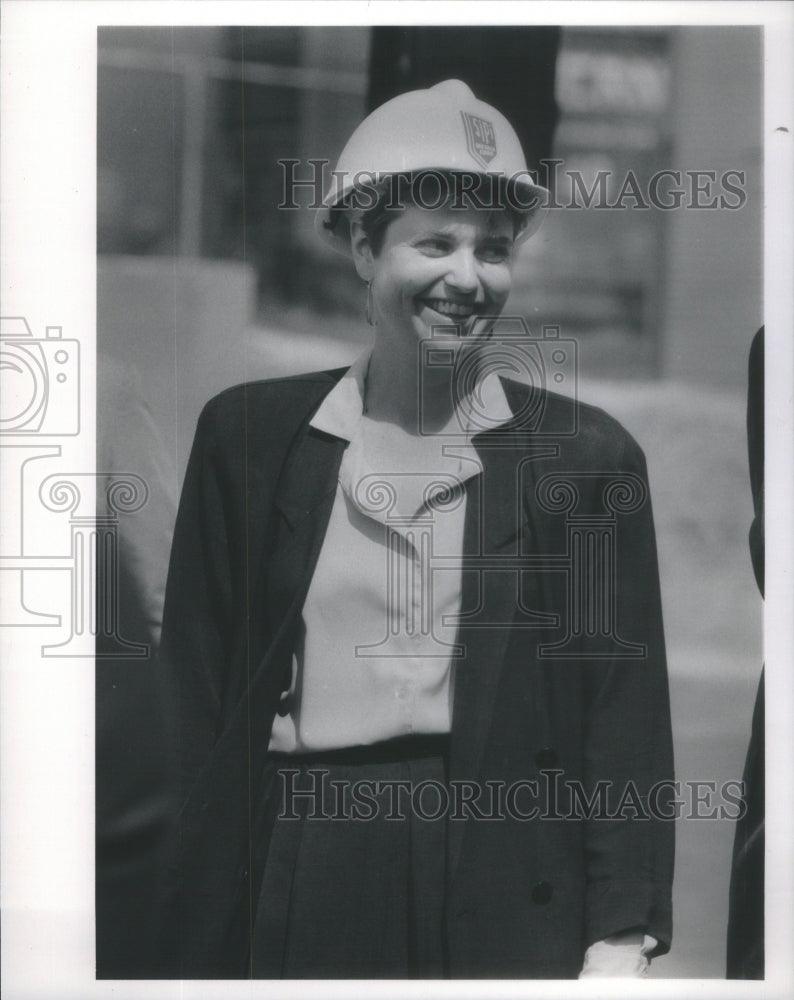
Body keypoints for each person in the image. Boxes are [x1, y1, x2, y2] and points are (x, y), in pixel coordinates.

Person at [155, 80, 674, 979]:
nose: (467, 278)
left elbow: (622, 722)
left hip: (503, 881)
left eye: (494, 250)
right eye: (435, 242)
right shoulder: (250, 438)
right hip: (298, 864)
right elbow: (193, 704)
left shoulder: (587, 462)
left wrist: (619, 940)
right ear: (363, 246)